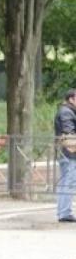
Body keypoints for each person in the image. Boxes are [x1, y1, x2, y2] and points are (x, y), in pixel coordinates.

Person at [55, 88, 76, 222]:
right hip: (69, 152)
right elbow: (69, 133)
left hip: (67, 152)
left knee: (66, 182)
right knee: (69, 181)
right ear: (71, 98)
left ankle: (64, 212)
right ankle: (64, 213)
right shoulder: (66, 112)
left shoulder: (68, 111)